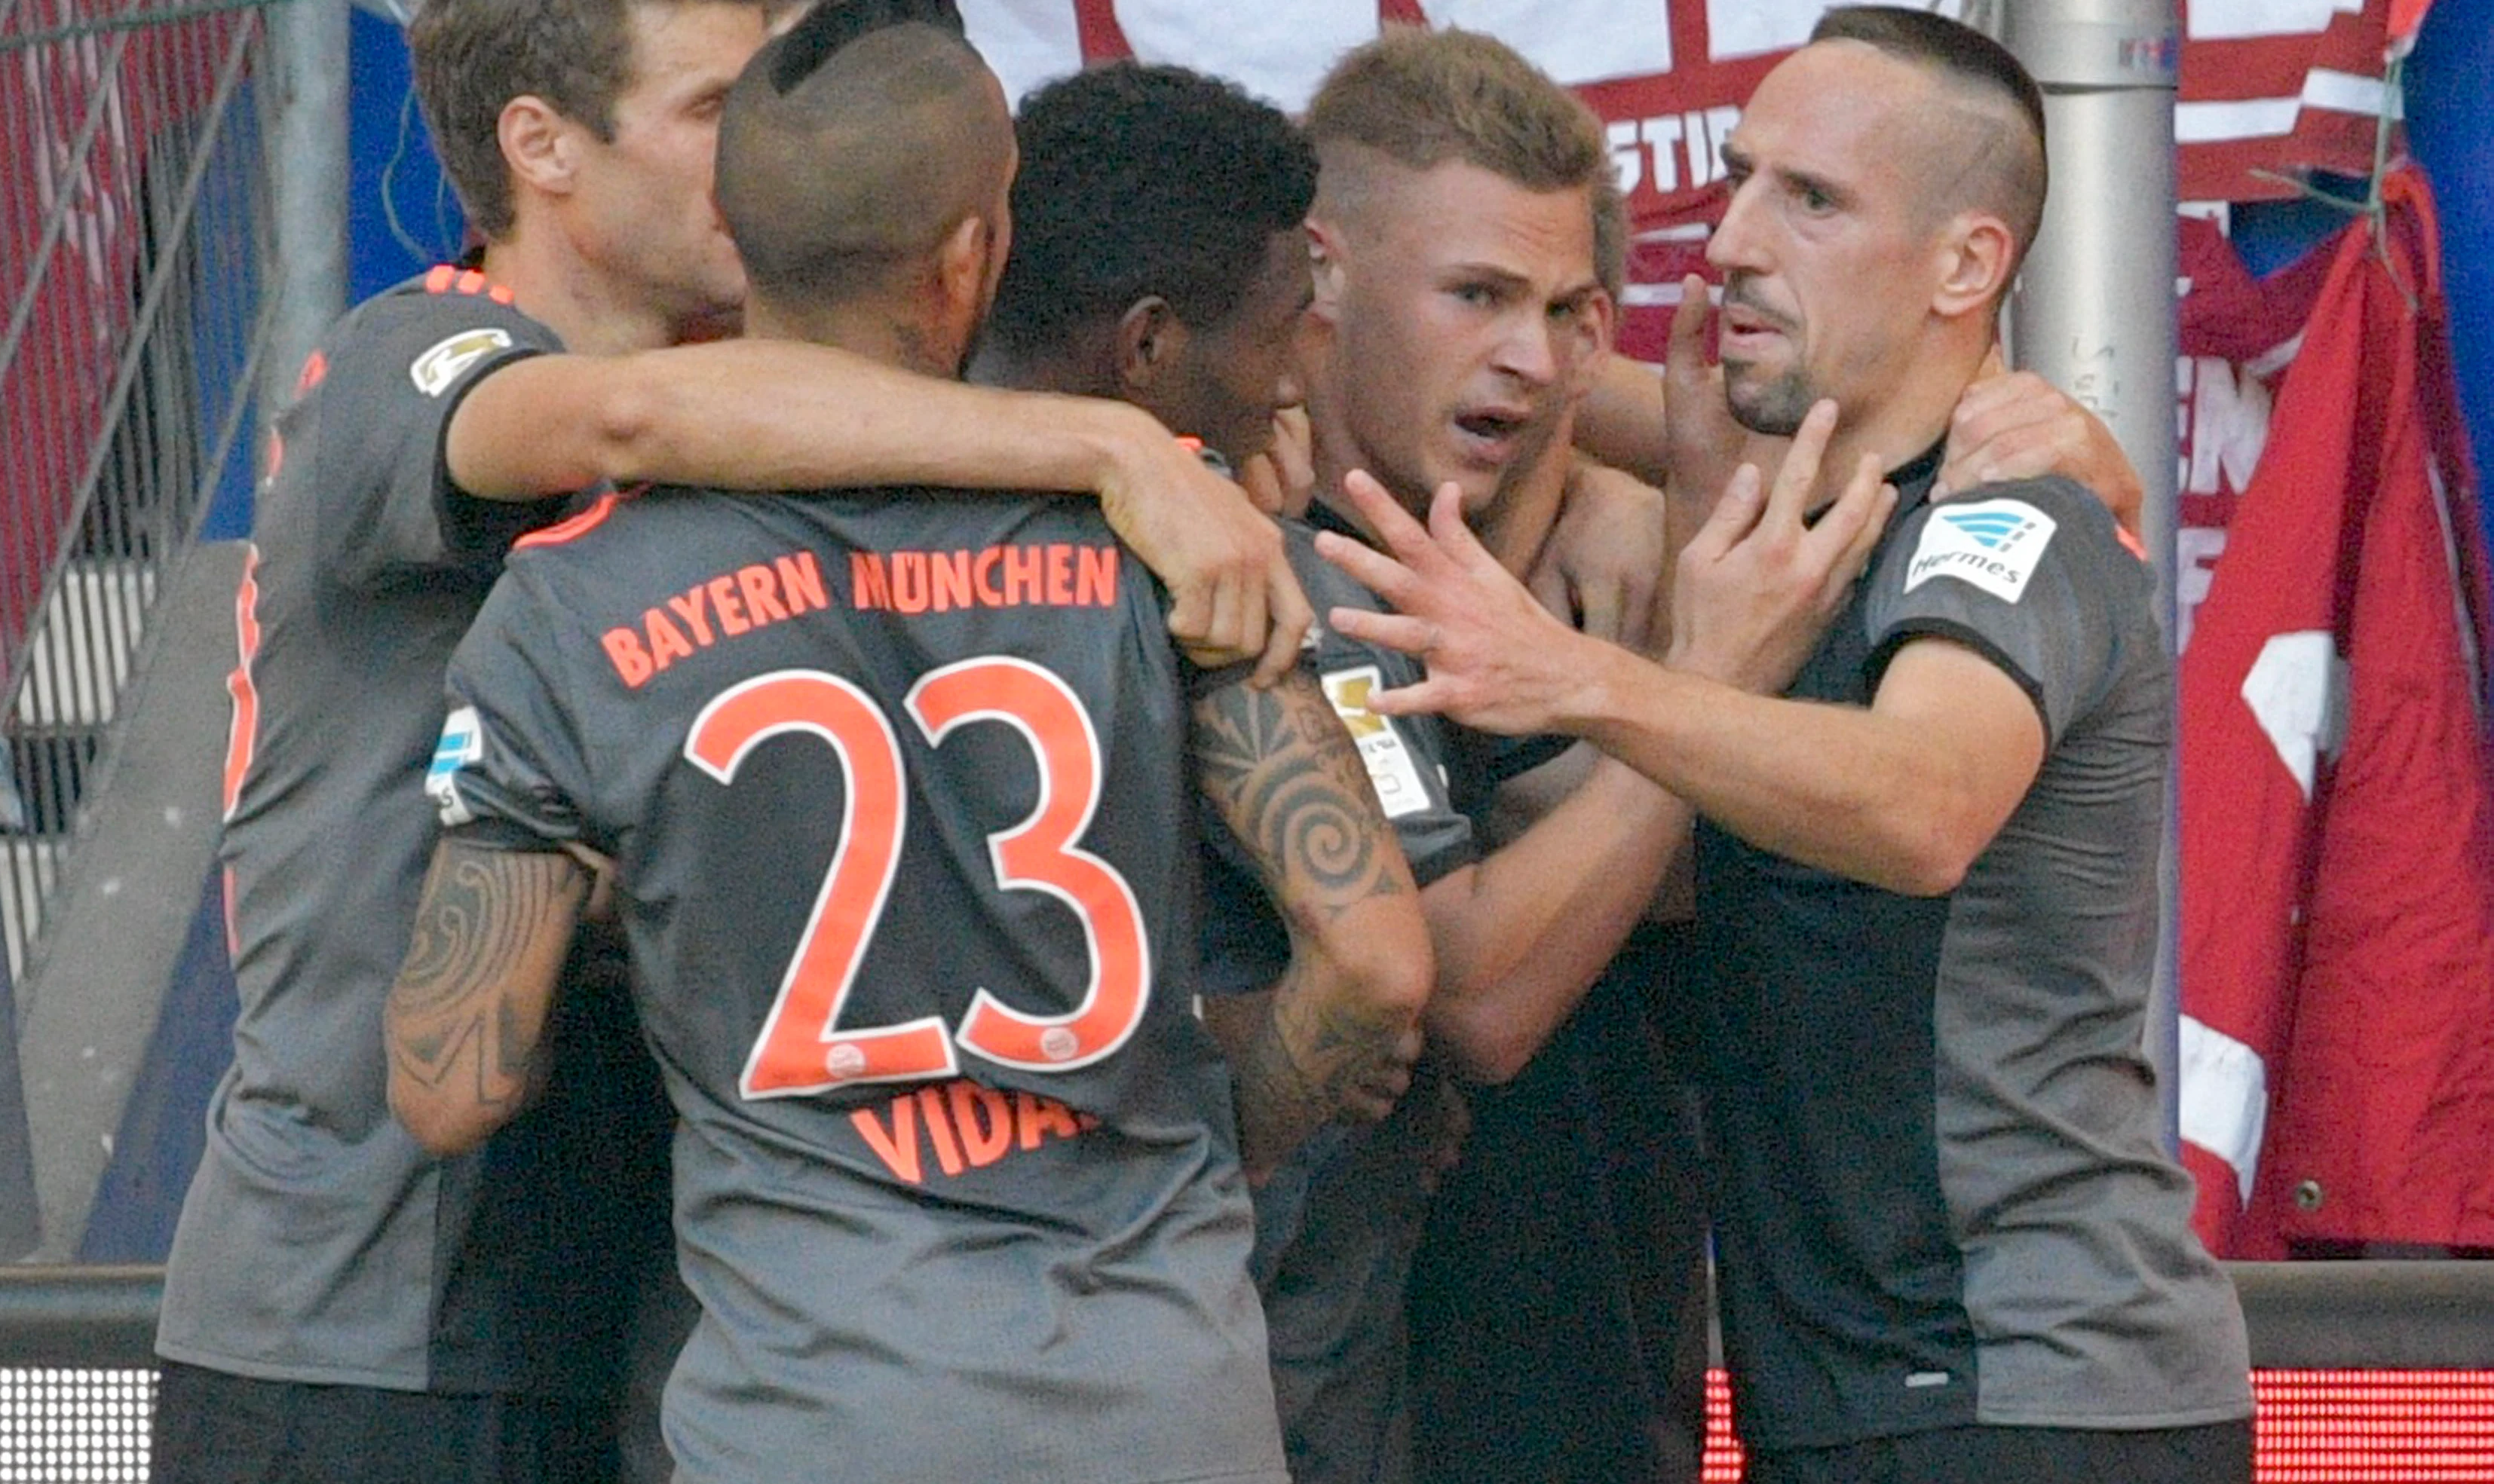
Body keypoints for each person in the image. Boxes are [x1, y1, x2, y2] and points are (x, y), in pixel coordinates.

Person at [152, 0, 1314, 1479]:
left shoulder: (771, 461)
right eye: (711, 110)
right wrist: (1114, 446)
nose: (755, 153)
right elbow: (632, 417)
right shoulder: (412, 356)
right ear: (543, 146)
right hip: (373, 1317)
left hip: (660, 1312)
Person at [1321, 10, 2255, 1482]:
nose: (1732, 240)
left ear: (1967, 264)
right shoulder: (1798, 531)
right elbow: (1525, 387)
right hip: (1861, 1392)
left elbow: (1925, 804)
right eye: (1740, 180)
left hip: (2021, 1393)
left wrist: (1586, 681)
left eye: (1809, 201)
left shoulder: (2002, 518)